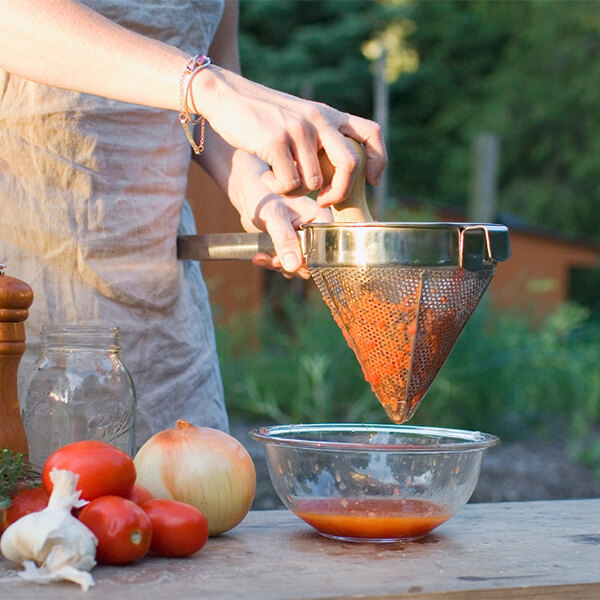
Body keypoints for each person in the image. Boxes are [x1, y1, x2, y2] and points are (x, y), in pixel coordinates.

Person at [0, 0, 387, 448]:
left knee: (191, 503)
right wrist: (210, 87)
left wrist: (257, 190)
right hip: (24, 291)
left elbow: (206, 117)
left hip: (162, 312)